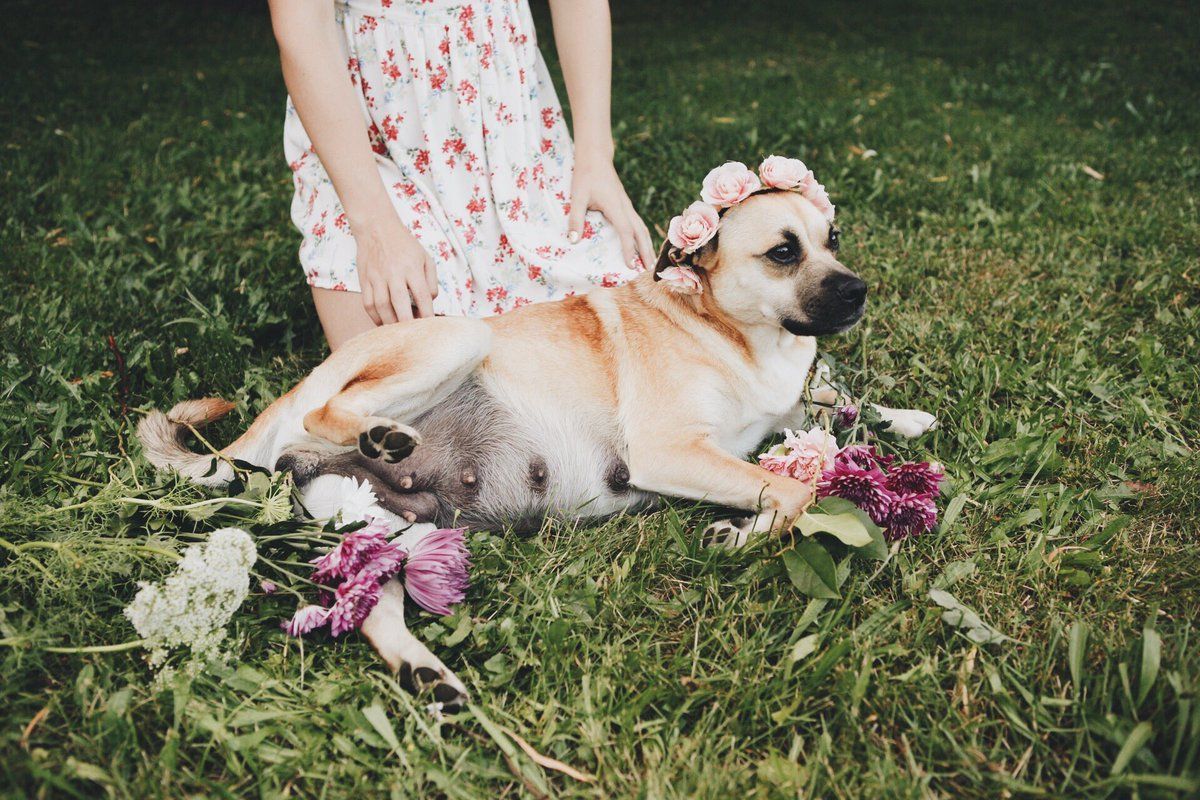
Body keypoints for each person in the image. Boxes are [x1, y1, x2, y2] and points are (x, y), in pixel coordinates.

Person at [268, 0, 655, 350]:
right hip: (370, 148)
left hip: (512, 136)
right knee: (403, 368)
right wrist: (375, 228)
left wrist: (594, 155)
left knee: (629, 340)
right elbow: (301, 28)